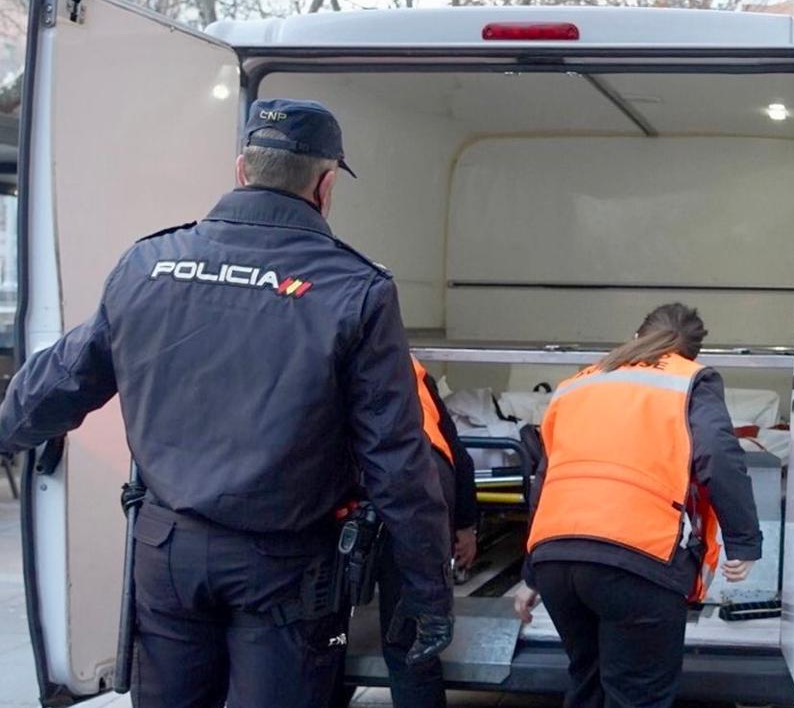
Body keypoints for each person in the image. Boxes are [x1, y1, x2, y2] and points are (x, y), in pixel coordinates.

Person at [0, 99, 455, 707]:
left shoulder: (146, 264)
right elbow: (396, 461)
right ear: (324, 186)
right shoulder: (356, 289)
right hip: (286, 567)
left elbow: (55, 383)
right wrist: (427, 591)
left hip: (165, 555)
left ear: (243, 170)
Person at [513, 303, 763, 708]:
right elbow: (718, 454)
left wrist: (531, 574)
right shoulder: (689, 381)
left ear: (636, 337)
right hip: (637, 561)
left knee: (586, 684)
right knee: (638, 697)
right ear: (692, 354)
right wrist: (745, 542)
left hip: (555, 559)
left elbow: (545, 481)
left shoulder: (578, 383)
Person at [375, 356, 478, 708]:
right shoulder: (409, 366)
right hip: (426, 479)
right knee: (409, 638)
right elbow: (458, 453)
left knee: (320, 629)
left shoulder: (311, 342)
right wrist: (466, 525)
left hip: (363, 476)